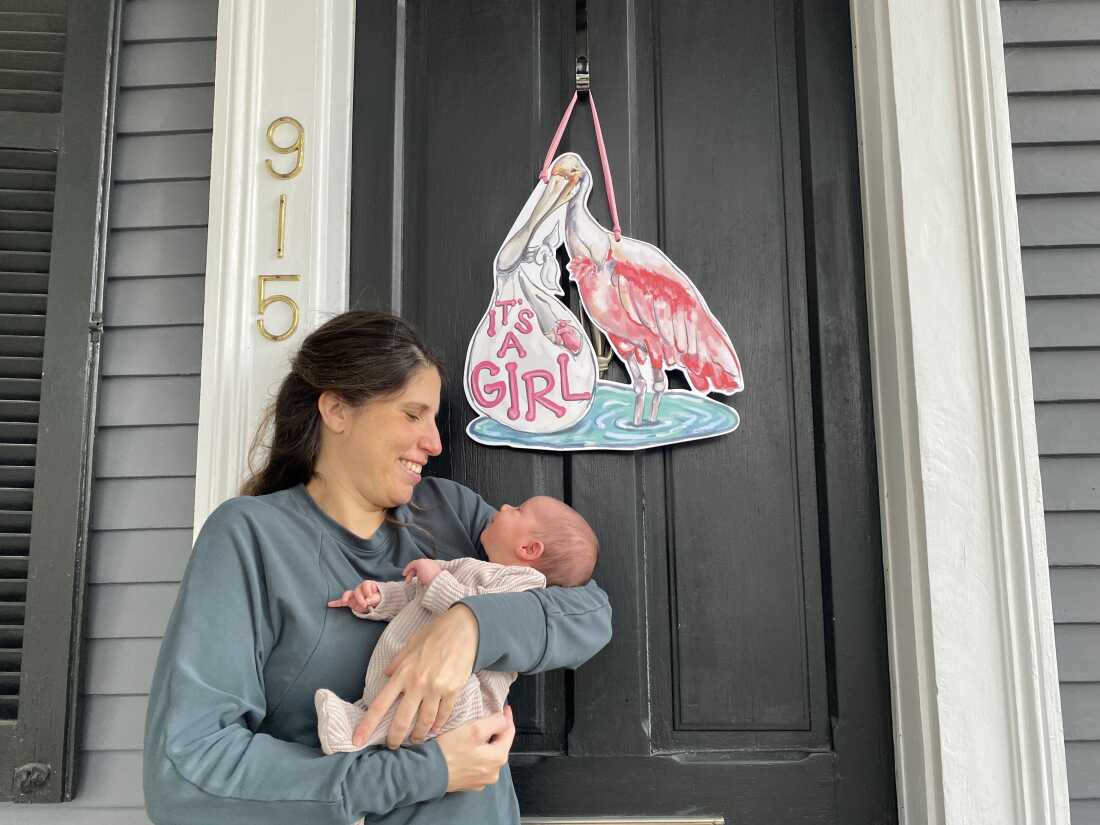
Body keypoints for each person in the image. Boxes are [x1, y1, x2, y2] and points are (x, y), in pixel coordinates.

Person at [142, 311, 612, 825]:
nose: (435, 443)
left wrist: (469, 627)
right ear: (338, 410)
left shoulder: (449, 510)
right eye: (413, 415)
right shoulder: (250, 538)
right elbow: (188, 773)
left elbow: (587, 610)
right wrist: (426, 772)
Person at [315, 495, 599, 757]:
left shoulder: (523, 584)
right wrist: (378, 598)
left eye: (518, 510)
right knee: (401, 702)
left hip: (469, 705)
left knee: (421, 709)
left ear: (528, 548)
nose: (504, 508)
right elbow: (416, 595)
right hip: (411, 669)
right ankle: (361, 730)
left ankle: (355, 736)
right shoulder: (475, 567)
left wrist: (436, 580)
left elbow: (477, 609)